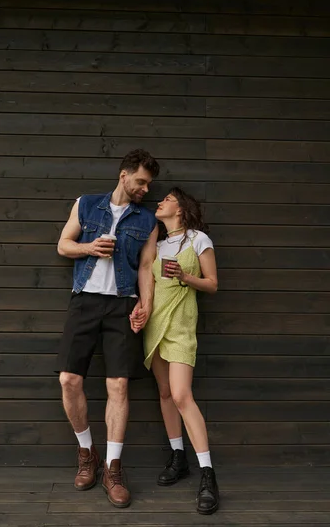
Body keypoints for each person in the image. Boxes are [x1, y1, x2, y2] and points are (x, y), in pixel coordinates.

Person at [55, 149, 160, 508]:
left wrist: (146, 306)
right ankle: (88, 454)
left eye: (149, 184)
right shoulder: (86, 205)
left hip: (122, 305)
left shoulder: (147, 221)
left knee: (118, 384)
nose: (145, 189)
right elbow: (63, 245)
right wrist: (88, 247)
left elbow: (146, 267)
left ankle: (113, 468)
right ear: (124, 175)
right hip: (84, 300)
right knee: (69, 380)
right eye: (141, 181)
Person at [130, 187, 220, 515]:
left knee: (182, 395)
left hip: (181, 328)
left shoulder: (198, 240)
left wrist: (185, 276)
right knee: (166, 393)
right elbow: (147, 282)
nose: (160, 202)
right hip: (155, 326)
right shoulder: (156, 243)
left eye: (166, 199)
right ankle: (178, 456)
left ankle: (208, 474)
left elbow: (212, 284)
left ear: (180, 209)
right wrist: (141, 310)